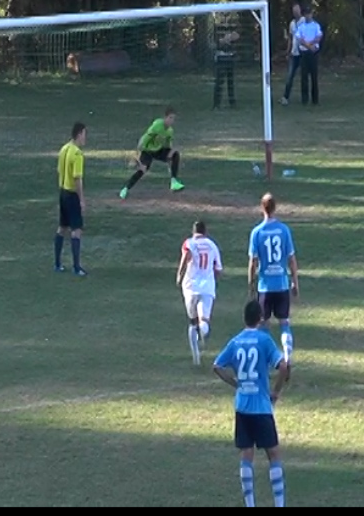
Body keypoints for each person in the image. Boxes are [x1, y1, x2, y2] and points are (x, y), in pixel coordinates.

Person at [213, 299, 290, 508]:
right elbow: (283, 366)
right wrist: (275, 391)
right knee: (273, 453)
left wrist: (235, 383)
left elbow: (217, 366)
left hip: (242, 406)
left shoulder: (236, 341)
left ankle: (250, 504)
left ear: (244, 318)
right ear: (261, 318)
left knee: (246, 455)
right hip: (261, 407)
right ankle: (280, 504)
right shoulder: (264, 340)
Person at [248, 193, 299, 367]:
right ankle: (287, 354)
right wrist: (295, 281)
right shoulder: (284, 230)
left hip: (265, 286)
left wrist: (251, 283)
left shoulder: (257, 232)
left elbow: (253, 262)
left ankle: (270, 359)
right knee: (284, 322)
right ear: (275, 208)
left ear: (262, 208)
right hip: (282, 284)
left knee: (263, 324)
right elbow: (291, 258)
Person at [176, 221, 223, 366]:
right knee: (204, 320)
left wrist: (179, 275)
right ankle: (204, 332)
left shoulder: (189, 243)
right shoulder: (212, 245)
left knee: (192, 321)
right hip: (207, 287)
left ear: (193, 231)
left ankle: (196, 356)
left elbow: (185, 259)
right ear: (205, 231)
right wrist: (212, 280)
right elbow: (218, 269)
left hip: (190, 287)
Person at [119, 107, 184, 198]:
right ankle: (125, 189)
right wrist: (137, 154)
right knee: (143, 170)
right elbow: (144, 138)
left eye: (173, 118)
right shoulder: (157, 125)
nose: (171, 121)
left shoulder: (170, 131)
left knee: (175, 154)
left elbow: (168, 146)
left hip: (158, 151)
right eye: (170, 118)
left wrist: (170, 157)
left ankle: (174, 182)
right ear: (165, 117)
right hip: (147, 151)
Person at [55, 122, 88, 276]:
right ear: (79, 134)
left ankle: (57, 263)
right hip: (72, 194)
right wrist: (81, 199)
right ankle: (76, 267)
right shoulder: (77, 154)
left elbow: (59, 171)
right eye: (84, 135)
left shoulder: (64, 149)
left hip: (62, 192)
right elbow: (77, 178)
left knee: (62, 227)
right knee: (76, 230)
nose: (85, 138)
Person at [296, 5, 323, 105]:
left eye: (309, 14)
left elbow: (319, 37)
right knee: (304, 77)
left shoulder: (316, 25)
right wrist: (309, 46)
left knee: (314, 77)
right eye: (306, 14)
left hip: (313, 53)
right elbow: (300, 39)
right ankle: (304, 99)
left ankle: (315, 99)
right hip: (304, 53)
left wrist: (310, 44)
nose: (308, 16)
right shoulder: (301, 27)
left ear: (312, 14)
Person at [280, 3, 303, 106]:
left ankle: (305, 98)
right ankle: (285, 97)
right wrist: (288, 51)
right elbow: (290, 38)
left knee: (304, 76)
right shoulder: (292, 24)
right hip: (294, 53)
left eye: (297, 10)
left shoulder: (304, 21)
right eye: (294, 11)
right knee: (290, 76)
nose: (296, 12)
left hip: (303, 52)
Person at [213, 31, 239, 109]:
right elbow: (217, 42)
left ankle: (232, 103)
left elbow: (236, 36)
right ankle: (216, 104)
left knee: (230, 82)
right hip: (221, 60)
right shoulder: (217, 32)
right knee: (219, 82)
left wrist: (231, 38)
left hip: (230, 59)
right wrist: (224, 40)